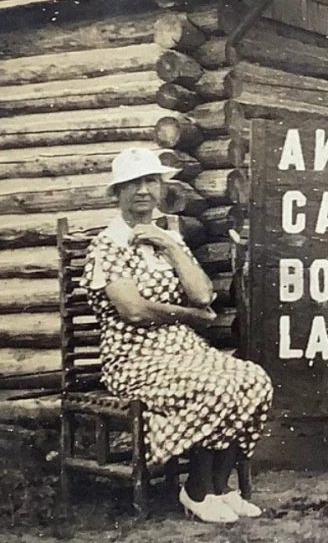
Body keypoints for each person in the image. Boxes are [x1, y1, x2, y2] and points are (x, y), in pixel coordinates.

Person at [84, 147, 273, 524]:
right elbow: (134, 310)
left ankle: (220, 487)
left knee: (254, 380)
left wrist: (170, 245)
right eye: (132, 183)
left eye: (150, 181)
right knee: (213, 386)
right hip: (134, 357)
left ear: (160, 189)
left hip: (181, 349)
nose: (142, 190)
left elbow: (203, 294)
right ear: (116, 193)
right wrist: (188, 315)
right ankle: (196, 491)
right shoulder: (108, 246)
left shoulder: (166, 238)